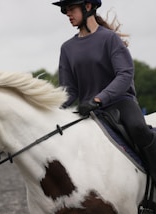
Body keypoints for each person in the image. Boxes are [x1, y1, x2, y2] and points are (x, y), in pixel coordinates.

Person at [52, 0, 156, 182]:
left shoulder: (109, 38)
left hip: (120, 103)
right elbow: (69, 90)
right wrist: (55, 109)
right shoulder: (67, 48)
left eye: (71, 9)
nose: (67, 14)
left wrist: (99, 99)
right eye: (65, 10)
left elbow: (124, 74)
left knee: (139, 129)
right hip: (88, 109)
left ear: (88, 7)